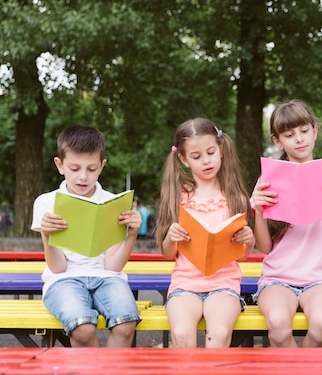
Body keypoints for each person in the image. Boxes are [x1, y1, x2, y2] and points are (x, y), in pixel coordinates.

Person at [251, 100, 322, 347]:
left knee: (320, 324)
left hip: (320, 279)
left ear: (315, 131)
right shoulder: (268, 180)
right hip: (277, 278)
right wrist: (258, 210)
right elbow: (264, 247)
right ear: (278, 141)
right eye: (289, 134)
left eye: (304, 131)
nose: (299, 139)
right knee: (277, 323)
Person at [30, 125, 142, 347]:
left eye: (91, 169)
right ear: (60, 165)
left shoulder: (112, 203)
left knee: (126, 323)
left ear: (102, 166)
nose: (83, 176)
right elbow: (58, 268)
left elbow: (112, 267)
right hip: (63, 280)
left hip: (108, 278)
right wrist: (46, 234)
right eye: (74, 168)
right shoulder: (46, 202)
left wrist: (131, 236)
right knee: (82, 329)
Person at [154, 118, 255, 348]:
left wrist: (248, 241)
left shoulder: (234, 197)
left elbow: (241, 255)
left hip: (224, 284)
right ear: (184, 159)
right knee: (181, 333)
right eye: (196, 156)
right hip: (185, 284)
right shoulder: (179, 197)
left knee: (218, 334)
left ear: (220, 149)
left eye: (210, 152)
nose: (206, 161)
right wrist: (171, 237)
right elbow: (169, 254)